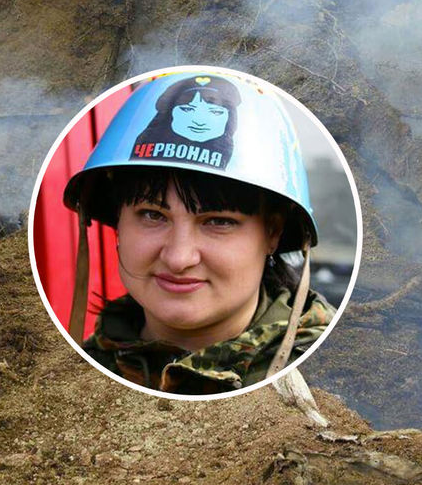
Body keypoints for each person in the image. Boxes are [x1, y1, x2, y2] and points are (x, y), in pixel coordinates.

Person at [62, 71, 336, 395]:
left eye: (218, 221)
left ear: (273, 232)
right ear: (118, 222)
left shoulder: (336, 373)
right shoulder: (71, 378)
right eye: (152, 215)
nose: (179, 259)